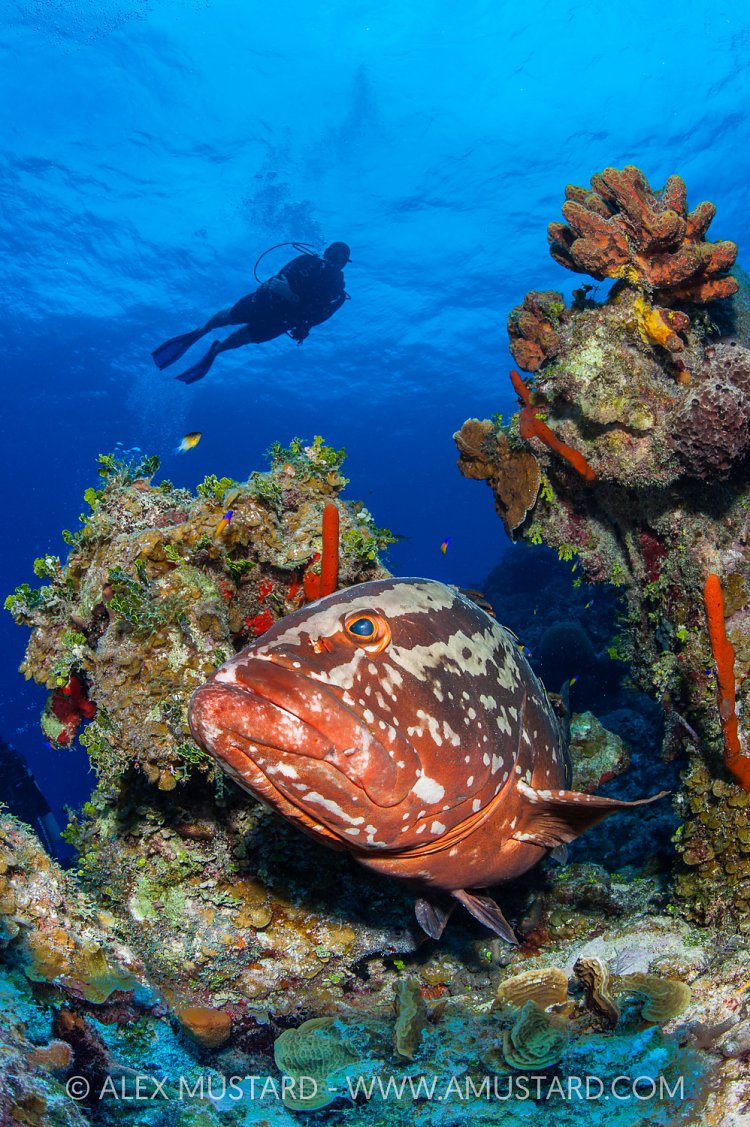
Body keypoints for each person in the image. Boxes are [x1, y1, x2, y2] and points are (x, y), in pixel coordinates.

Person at [152, 241, 351, 384]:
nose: (332, 259)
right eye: (331, 252)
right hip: (265, 303)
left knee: (243, 338)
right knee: (229, 316)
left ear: (344, 263)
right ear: (326, 251)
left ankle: (217, 350)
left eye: (338, 257)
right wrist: (284, 293)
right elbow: (278, 279)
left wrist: (292, 300)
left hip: (281, 322)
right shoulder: (306, 261)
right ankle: (202, 331)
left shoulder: (337, 292)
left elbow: (317, 317)